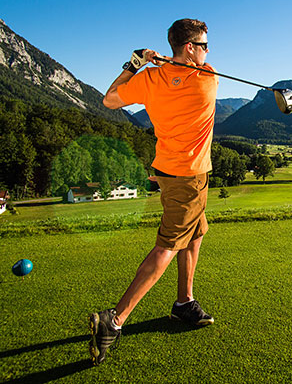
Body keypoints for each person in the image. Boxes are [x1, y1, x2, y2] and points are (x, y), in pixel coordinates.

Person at [89, 18, 218, 366]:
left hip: (167, 170)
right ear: (189, 48)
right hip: (189, 177)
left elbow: (110, 100)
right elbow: (188, 70)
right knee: (168, 245)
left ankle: (184, 303)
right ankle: (114, 320)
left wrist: (137, 63)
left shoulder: (148, 78)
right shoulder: (207, 79)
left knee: (196, 232)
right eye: (204, 45)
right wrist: (168, 63)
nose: (208, 51)